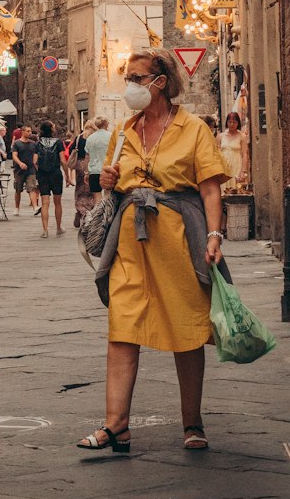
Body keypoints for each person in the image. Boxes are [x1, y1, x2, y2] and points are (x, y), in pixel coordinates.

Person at [76, 48, 229, 456]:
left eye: (136, 79)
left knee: (186, 329)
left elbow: (211, 187)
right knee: (122, 327)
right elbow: (107, 186)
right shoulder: (124, 131)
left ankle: (192, 421)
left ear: (160, 82)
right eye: (128, 78)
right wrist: (107, 179)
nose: (129, 86)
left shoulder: (193, 129)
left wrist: (214, 234)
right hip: (129, 241)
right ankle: (116, 426)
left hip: (178, 239)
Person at [33, 120, 66, 237]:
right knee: (58, 202)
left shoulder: (38, 144)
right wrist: (67, 176)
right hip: (56, 174)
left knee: (45, 203)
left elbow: (35, 161)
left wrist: (39, 172)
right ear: (51, 129)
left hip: (43, 174)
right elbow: (62, 160)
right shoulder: (58, 143)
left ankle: (45, 230)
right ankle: (58, 228)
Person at [218, 112, 250, 194]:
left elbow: (244, 154)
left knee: (237, 190)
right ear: (227, 122)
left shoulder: (242, 136)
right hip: (224, 167)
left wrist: (243, 171)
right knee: (223, 191)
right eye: (230, 122)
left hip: (237, 166)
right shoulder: (220, 136)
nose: (232, 124)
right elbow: (216, 153)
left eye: (234, 122)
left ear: (238, 123)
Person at [70, 120, 93, 229]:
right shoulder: (93, 138)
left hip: (79, 164)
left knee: (79, 188)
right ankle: (87, 212)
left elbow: (71, 149)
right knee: (90, 190)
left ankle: (79, 210)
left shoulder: (79, 137)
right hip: (90, 164)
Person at [11, 128, 39, 215]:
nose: (29, 133)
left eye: (30, 131)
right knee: (18, 189)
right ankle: (17, 208)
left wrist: (34, 162)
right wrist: (20, 163)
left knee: (32, 188)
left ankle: (35, 207)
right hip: (19, 169)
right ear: (22, 132)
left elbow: (35, 154)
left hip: (30, 169)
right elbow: (14, 155)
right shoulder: (17, 143)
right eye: (27, 131)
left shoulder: (33, 144)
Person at [85, 114, 112, 195]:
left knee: (97, 197)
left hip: (94, 170)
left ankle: (98, 207)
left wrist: (86, 172)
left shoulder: (90, 138)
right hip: (107, 169)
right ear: (105, 124)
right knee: (108, 196)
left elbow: (87, 156)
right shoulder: (111, 136)